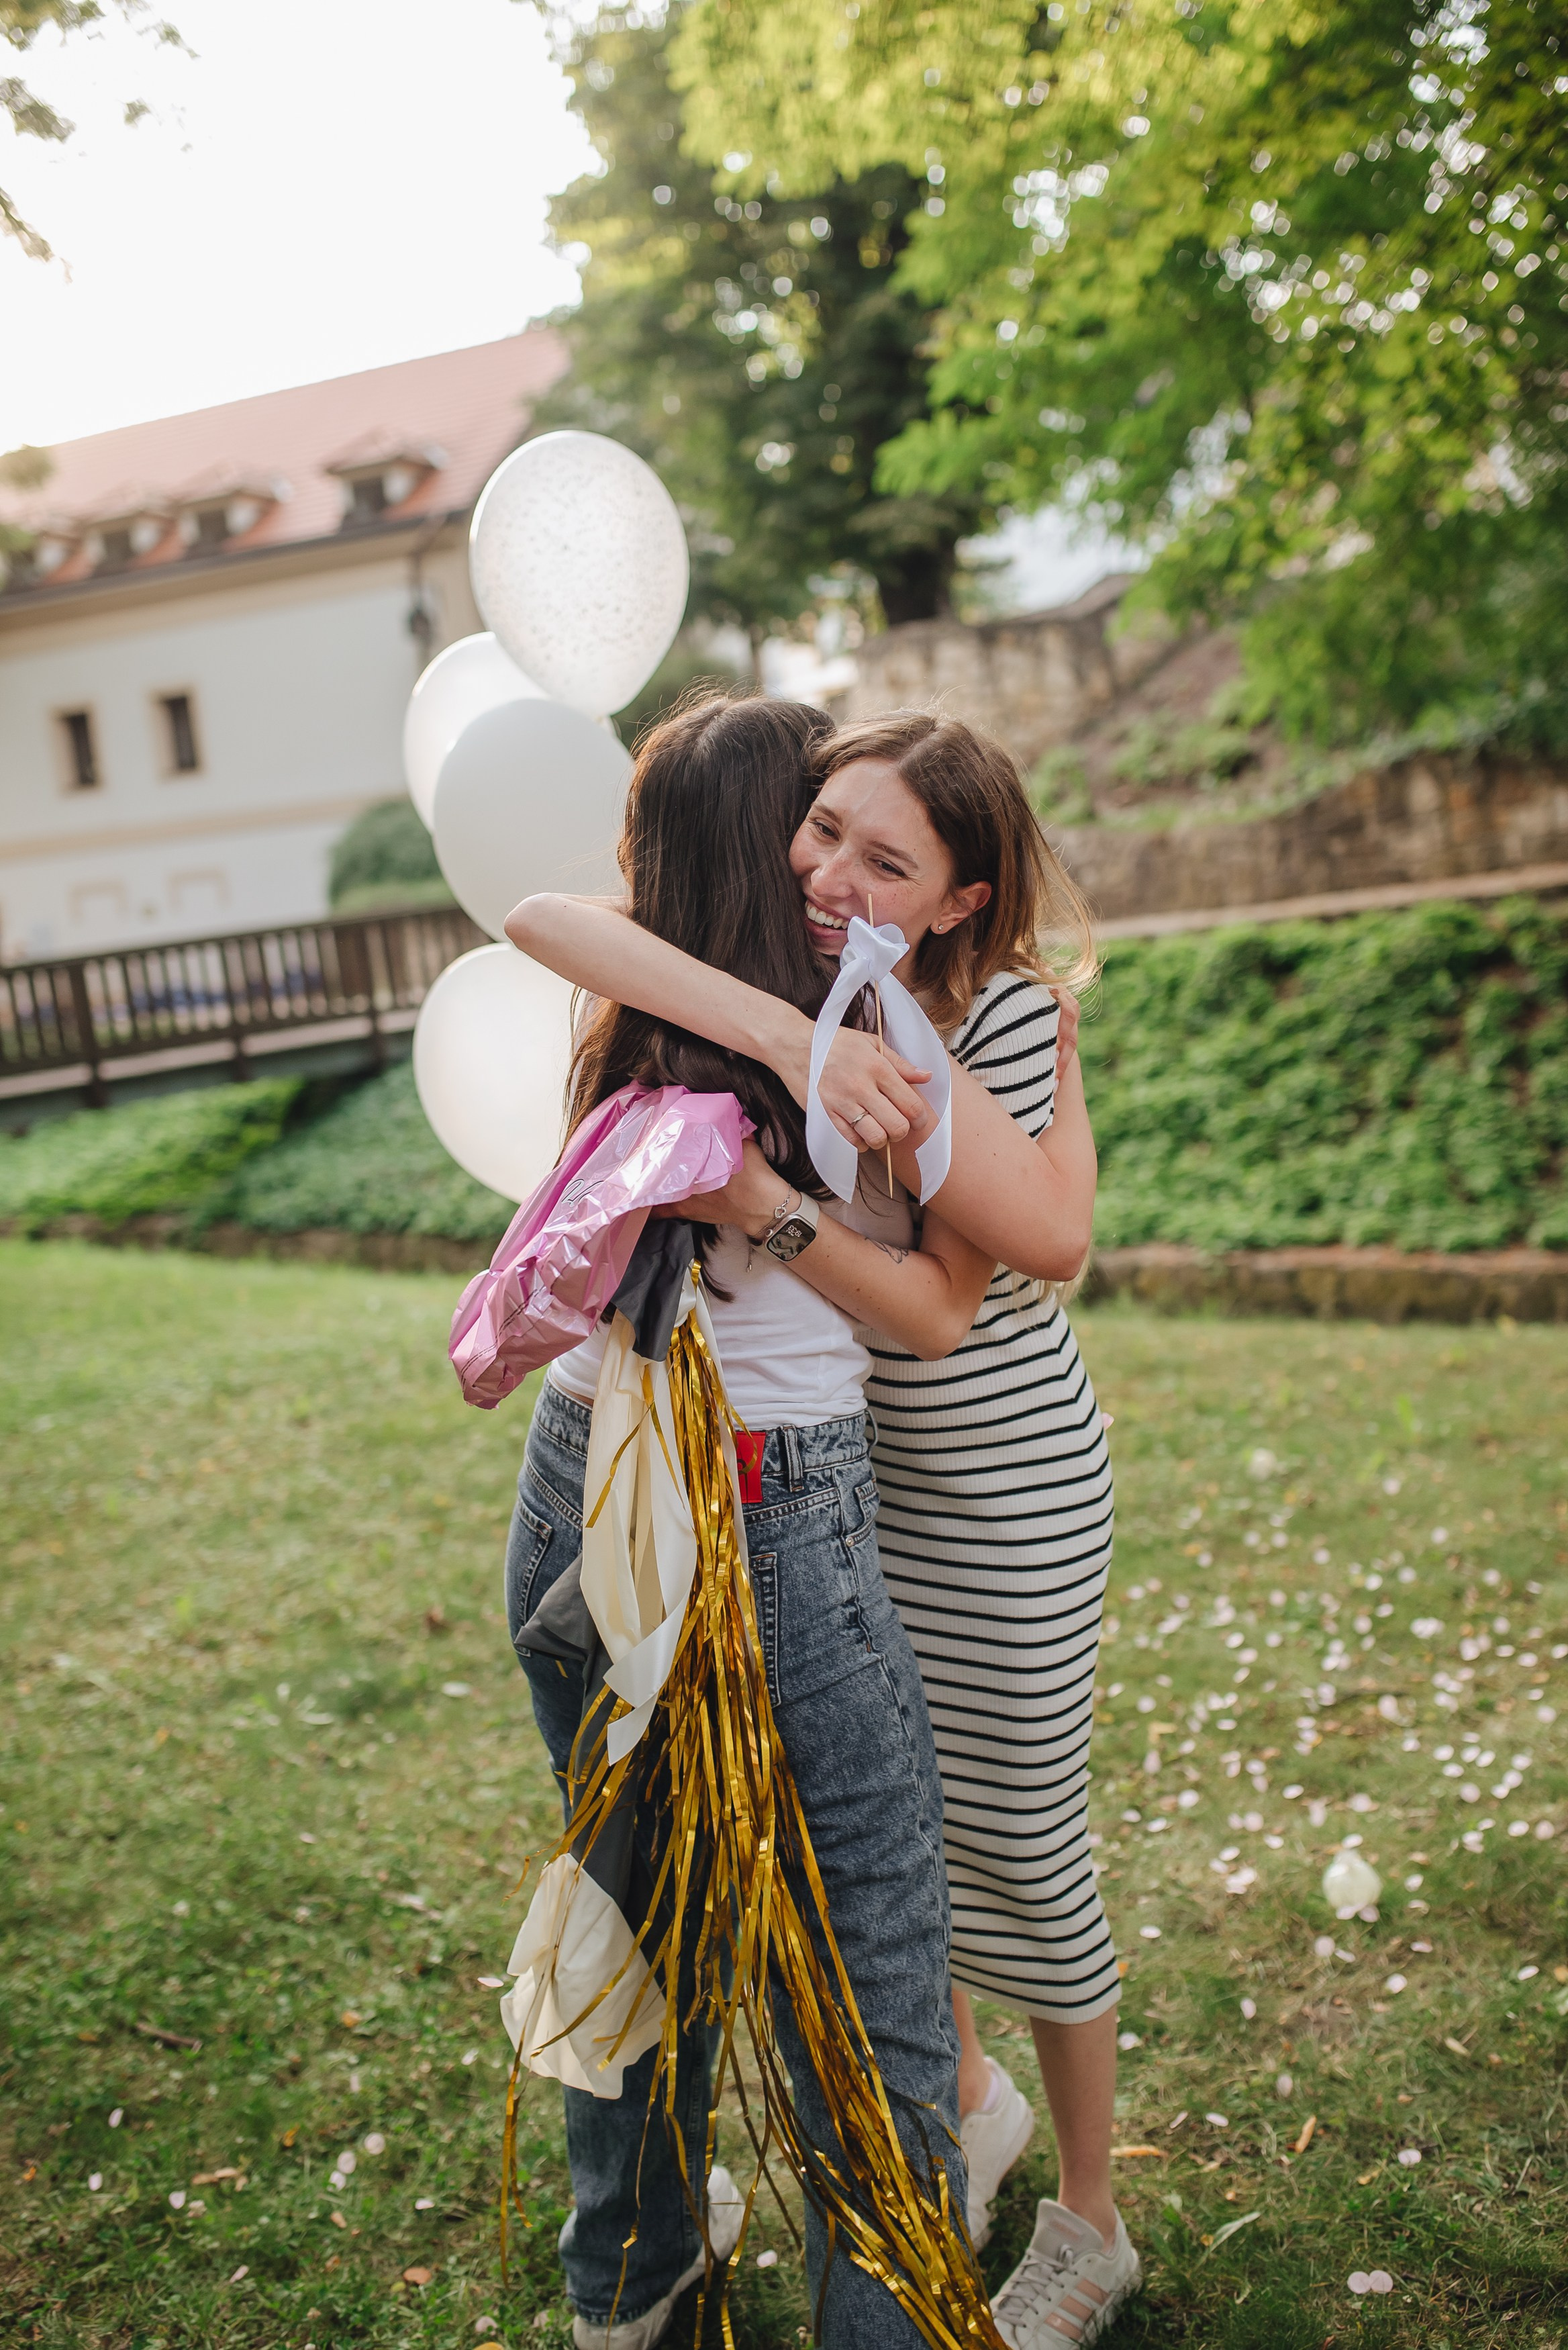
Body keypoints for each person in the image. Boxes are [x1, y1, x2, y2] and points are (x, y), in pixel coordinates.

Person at [510, 706, 1142, 2350]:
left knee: (902, 1869)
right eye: (819, 826)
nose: (833, 873)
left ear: (960, 893)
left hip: (811, 1469)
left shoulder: (910, 1017)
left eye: (883, 854)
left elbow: (1025, 1253)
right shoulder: (770, 990)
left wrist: (770, 1192)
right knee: (861, 1924)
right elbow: (541, 913)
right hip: (779, 1475)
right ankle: (905, 2202)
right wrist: (799, 1054)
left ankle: (1060, 2214)